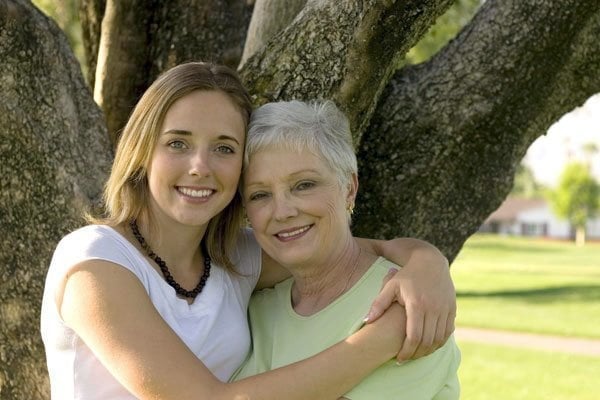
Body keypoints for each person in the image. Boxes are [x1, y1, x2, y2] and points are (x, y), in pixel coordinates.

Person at [40, 62, 455, 399]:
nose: (200, 165)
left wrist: (427, 264)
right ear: (143, 152)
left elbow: (351, 249)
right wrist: (383, 339)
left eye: (224, 147)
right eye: (178, 143)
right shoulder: (94, 262)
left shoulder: (238, 259)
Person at [234, 100, 461, 399]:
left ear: (349, 188)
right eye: (260, 194)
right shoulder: (254, 307)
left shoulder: (409, 304)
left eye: (304, 185)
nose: (282, 211)